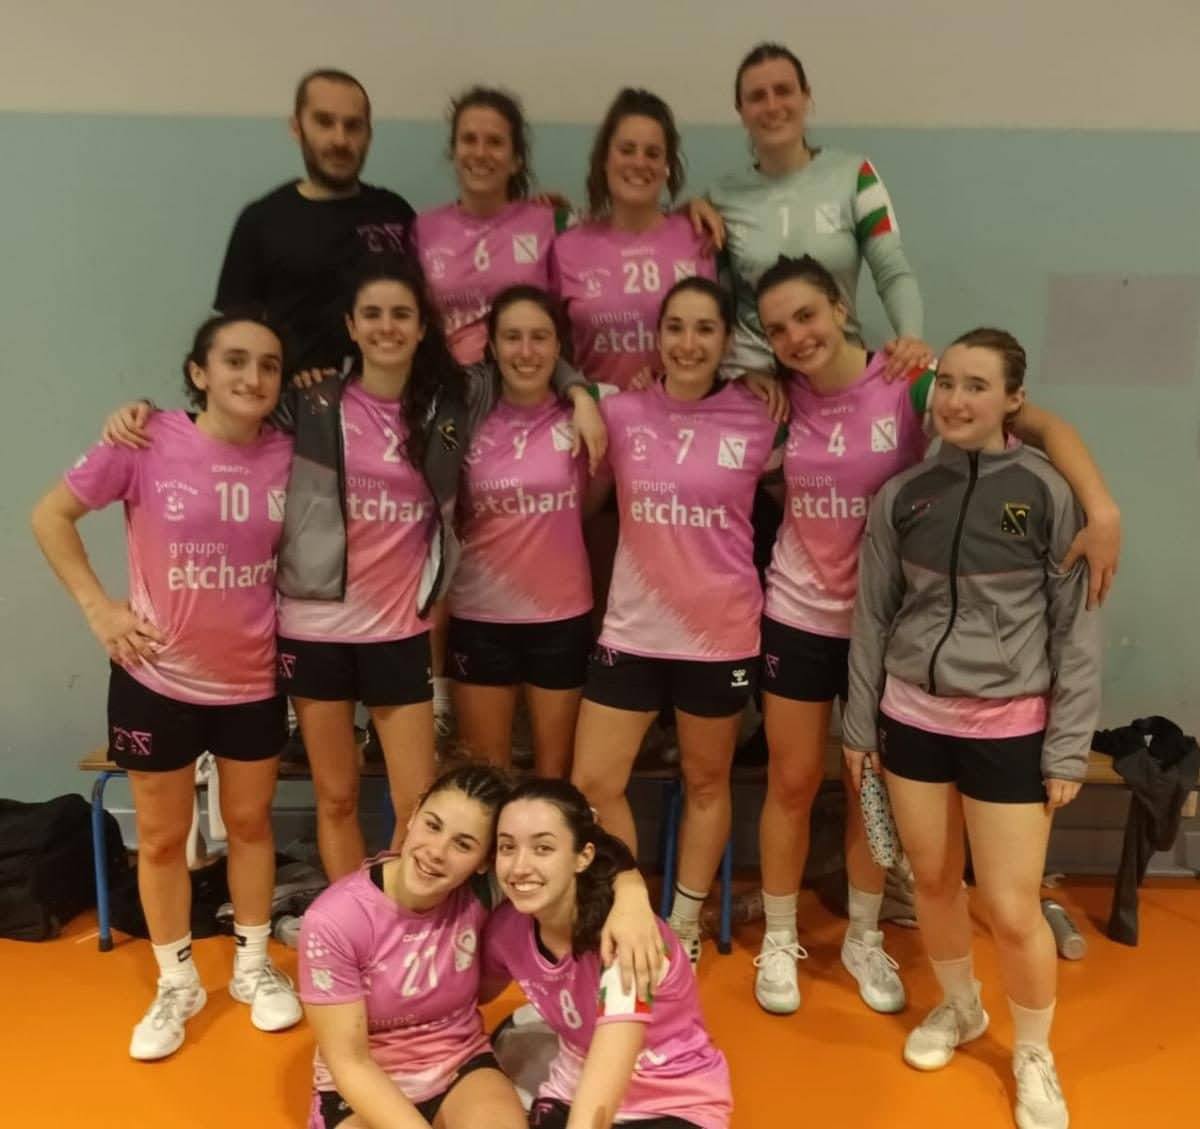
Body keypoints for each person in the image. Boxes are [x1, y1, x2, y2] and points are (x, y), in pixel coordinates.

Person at [102, 259, 604, 882]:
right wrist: (144, 413)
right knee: (336, 797)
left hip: (399, 630)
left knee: (418, 804)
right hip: (314, 631)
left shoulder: (453, 401)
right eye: (373, 315)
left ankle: (404, 916)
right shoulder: (310, 404)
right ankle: (352, 915)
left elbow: (524, 356)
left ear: (422, 327)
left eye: (401, 315)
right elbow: (225, 413)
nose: (387, 327)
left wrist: (579, 392)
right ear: (351, 326)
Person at [749, 255, 1121, 1023]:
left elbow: (1035, 422)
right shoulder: (777, 397)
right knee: (792, 781)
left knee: (867, 790)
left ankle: (864, 936)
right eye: (777, 328)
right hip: (804, 616)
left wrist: (1102, 506)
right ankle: (782, 939)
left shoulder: (911, 382)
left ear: (841, 307)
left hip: (896, 633)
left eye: (807, 315)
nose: (795, 336)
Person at [842, 327, 1100, 1129]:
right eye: (947, 382)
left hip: (1011, 727)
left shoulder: (1050, 493)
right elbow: (872, 616)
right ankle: (960, 1005)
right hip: (911, 718)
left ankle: (1033, 1054)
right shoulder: (904, 495)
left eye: (977, 385)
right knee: (931, 881)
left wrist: (1068, 748)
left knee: (1014, 908)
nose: (955, 400)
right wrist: (859, 726)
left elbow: (1076, 629)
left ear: (1014, 400)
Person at [31, 314, 301, 1060]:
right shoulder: (145, 441)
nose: (253, 377)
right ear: (198, 373)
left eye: (269, 364)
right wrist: (99, 609)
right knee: (158, 837)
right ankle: (177, 981)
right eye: (235, 360)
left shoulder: (290, 453)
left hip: (252, 679)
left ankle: (251, 966)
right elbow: (50, 516)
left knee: (249, 825)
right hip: (156, 678)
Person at [570, 277, 782, 967]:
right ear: (657, 337)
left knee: (707, 781)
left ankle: (683, 920)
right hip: (632, 631)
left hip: (720, 633)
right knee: (593, 782)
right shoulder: (622, 410)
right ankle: (630, 906)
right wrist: (580, 393)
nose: (689, 343)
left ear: (727, 341)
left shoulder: (759, 414)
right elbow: (552, 382)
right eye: (676, 328)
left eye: (705, 329)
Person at [300, 763, 664, 1129]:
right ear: (414, 815)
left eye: (463, 844)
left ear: (484, 862)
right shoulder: (335, 920)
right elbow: (350, 1062)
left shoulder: (484, 890)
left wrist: (631, 895)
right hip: (364, 1082)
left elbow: (588, 849)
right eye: (433, 825)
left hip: (458, 1067)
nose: (437, 851)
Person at [483, 778, 732, 1129]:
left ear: (583, 856)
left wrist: (630, 887)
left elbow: (600, 1096)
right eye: (507, 847)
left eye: (543, 848)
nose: (520, 866)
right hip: (570, 1089)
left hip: (671, 1100)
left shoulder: (629, 937)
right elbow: (468, 993)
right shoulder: (506, 929)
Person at [704, 43, 929, 379]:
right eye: (757, 96)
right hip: (754, 383)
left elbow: (892, 270)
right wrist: (689, 207)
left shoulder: (855, 176)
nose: (772, 106)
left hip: (838, 375)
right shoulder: (720, 197)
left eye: (783, 91)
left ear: (806, 96)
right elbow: (711, 300)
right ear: (741, 110)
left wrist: (910, 337)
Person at [449, 287, 597, 777]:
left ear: (559, 347)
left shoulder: (588, 414)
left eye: (540, 337)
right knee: (486, 778)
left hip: (561, 616)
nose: (526, 351)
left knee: (554, 781)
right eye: (512, 337)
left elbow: (595, 500)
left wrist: (583, 395)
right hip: (479, 614)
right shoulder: (467, 413)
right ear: (492, 346)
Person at [215, 69, 416, 373]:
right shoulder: (262, 220)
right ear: (297, 128)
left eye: (353, 126)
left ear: (369, 134)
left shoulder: (395, 212)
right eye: (324, 122)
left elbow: (423, 309)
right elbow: (237, 334)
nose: (340, 139)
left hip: (388, 391)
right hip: (293, 397)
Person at [551, 88, 716, 393]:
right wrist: (576, 393)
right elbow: (545, 345)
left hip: (683, 415)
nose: (639, 162)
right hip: (597, 417)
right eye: (627, 150)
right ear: (605, 159)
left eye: (652, 153)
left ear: (667, 167)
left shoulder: (699, 235)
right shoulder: (566, 247)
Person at [416, 87, 565, 367]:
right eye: (469, 140)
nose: (480, 152)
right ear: (453, 151)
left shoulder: (548, 224)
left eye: (495, 142)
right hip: (448, 383)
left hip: (526, 380)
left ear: (516, 160)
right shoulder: (422, 229)